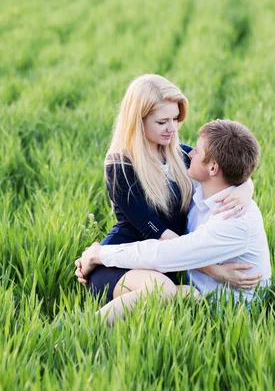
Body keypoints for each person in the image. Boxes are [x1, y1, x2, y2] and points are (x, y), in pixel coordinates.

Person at [85, 75, 258, 315]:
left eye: (176, 118)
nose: (173, 128)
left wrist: (245, 189)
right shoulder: (121, 166)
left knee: (190, 297)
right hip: (121, 263)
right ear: (138, 121)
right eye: (162, 121)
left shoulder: (180, 156)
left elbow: (226, 168)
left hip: (162, 264)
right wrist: (213, 270)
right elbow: (156, 233)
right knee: (164, 290)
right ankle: (78, 330)